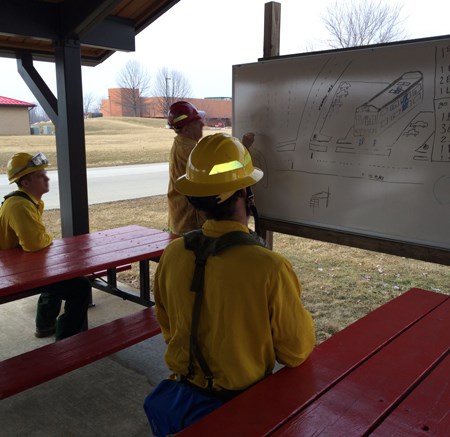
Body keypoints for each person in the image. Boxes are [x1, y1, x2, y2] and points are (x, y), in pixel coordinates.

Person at [152, 133, 315, 429]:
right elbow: (295, 351)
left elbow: (166, 324)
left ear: (196, 199)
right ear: (244, 194)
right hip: (242, 408)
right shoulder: (270, 268)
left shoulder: (173, 254)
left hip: (181, 402)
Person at [0, 152, 90, 341]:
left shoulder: (28, 201)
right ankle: (67, 341)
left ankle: (45, 325)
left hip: (19, 264)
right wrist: (48, 236)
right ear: (25, 183)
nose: (47, 178)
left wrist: (43, 238)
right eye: (40, 175)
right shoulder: (19, 205)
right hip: (12, 272)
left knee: (57, 273)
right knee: (80, 287)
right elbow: (34, 244)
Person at [166, 100, 256, 235]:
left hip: (182, 221)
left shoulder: (182, 146)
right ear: (186, 128)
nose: (202, 124)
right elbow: (218, 173)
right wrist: (244, 147)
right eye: (197, 121)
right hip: (191, 223)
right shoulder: (190, 151)